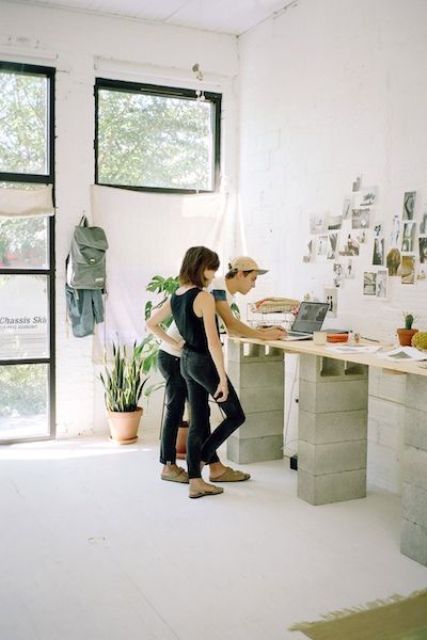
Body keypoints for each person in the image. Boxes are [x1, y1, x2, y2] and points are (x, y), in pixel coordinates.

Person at [146, 255, 285, 485]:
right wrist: (264, 334)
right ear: (239, 274)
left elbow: (229, 327)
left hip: (185, 357)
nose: (254, 284)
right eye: (252, 278)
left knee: (200, 415)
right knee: (178, 410)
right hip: (175, 356)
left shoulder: (221, 292)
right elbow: (231, 325)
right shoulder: (217, 290)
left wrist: (264, 333)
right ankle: (170, 466)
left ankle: (214, 468)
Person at [147, 246, 246, 499]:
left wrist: (178, 344)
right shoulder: (204, 297)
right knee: (235, 415)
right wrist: (222, 377)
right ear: (202, 267)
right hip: (202, 362)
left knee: (199, 420)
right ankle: (202, 458)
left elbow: (151, 323)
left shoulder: (177, 294)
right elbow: (214, 342)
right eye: (212, 268)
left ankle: (196, 481)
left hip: (186, 361)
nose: (214, 274)